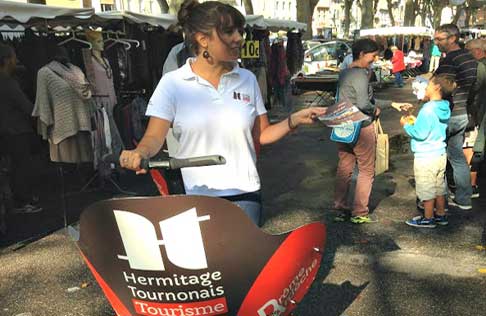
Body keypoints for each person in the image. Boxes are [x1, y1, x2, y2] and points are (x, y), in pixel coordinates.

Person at [119, 1, 325, 226]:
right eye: (229, 31)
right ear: (202, 39)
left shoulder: (247, 80)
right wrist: (140, 152)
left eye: (240, 31)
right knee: (203, 261)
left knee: (245, 261)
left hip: (246, 195)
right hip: (198, 196)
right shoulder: (173, 84)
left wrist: (293, 120)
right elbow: (154, 137)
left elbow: (262, 135)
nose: (238, 38)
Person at [333, 38, 380, 224]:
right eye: (373, 56)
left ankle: (339, 205)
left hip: (343, 123)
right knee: (367, 170)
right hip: (361, 125)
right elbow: (362, 103)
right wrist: (375, 109)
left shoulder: (344, 73)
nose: (374, 60)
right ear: (362, 54)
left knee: (345, 166)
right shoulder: (361, 75)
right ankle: (360, 211)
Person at [434, 24, 477, 210]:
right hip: (462, 113)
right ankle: (464, 198)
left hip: (448, 113)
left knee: (435, 156)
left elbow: (440, 86)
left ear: (452, 38)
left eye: (439, 39)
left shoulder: (450, 59)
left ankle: (435, 201)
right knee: (457, 157)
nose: (436, 43)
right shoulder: (469, 57)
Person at [401, 74, 454, 228]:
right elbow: (430, 127)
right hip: (439, 152)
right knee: (439, 186)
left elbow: (420, 133)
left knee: (426, 186)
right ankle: (441, 214)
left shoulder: (428, 109)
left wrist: (406, 125)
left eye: (429, 85)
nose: (426, 87)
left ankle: (428, 217)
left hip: (426, 155)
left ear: (437, 87)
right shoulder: (443, 106)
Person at [0, 43, 42, 213]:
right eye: (14, 56)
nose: (16, 60)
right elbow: (26, 106)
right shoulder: (8, 83)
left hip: (6, 130)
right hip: (15, 130)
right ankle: (22, 201)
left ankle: (18, 198)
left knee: (13, 167)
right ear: (7, 60)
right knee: (21, 166)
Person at [465, 38, 486, 199]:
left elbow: (472, 91)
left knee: (471, 147)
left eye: (468, 52)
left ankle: (469, 187)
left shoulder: (480, 67)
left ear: (477, 51)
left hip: (478, 114)